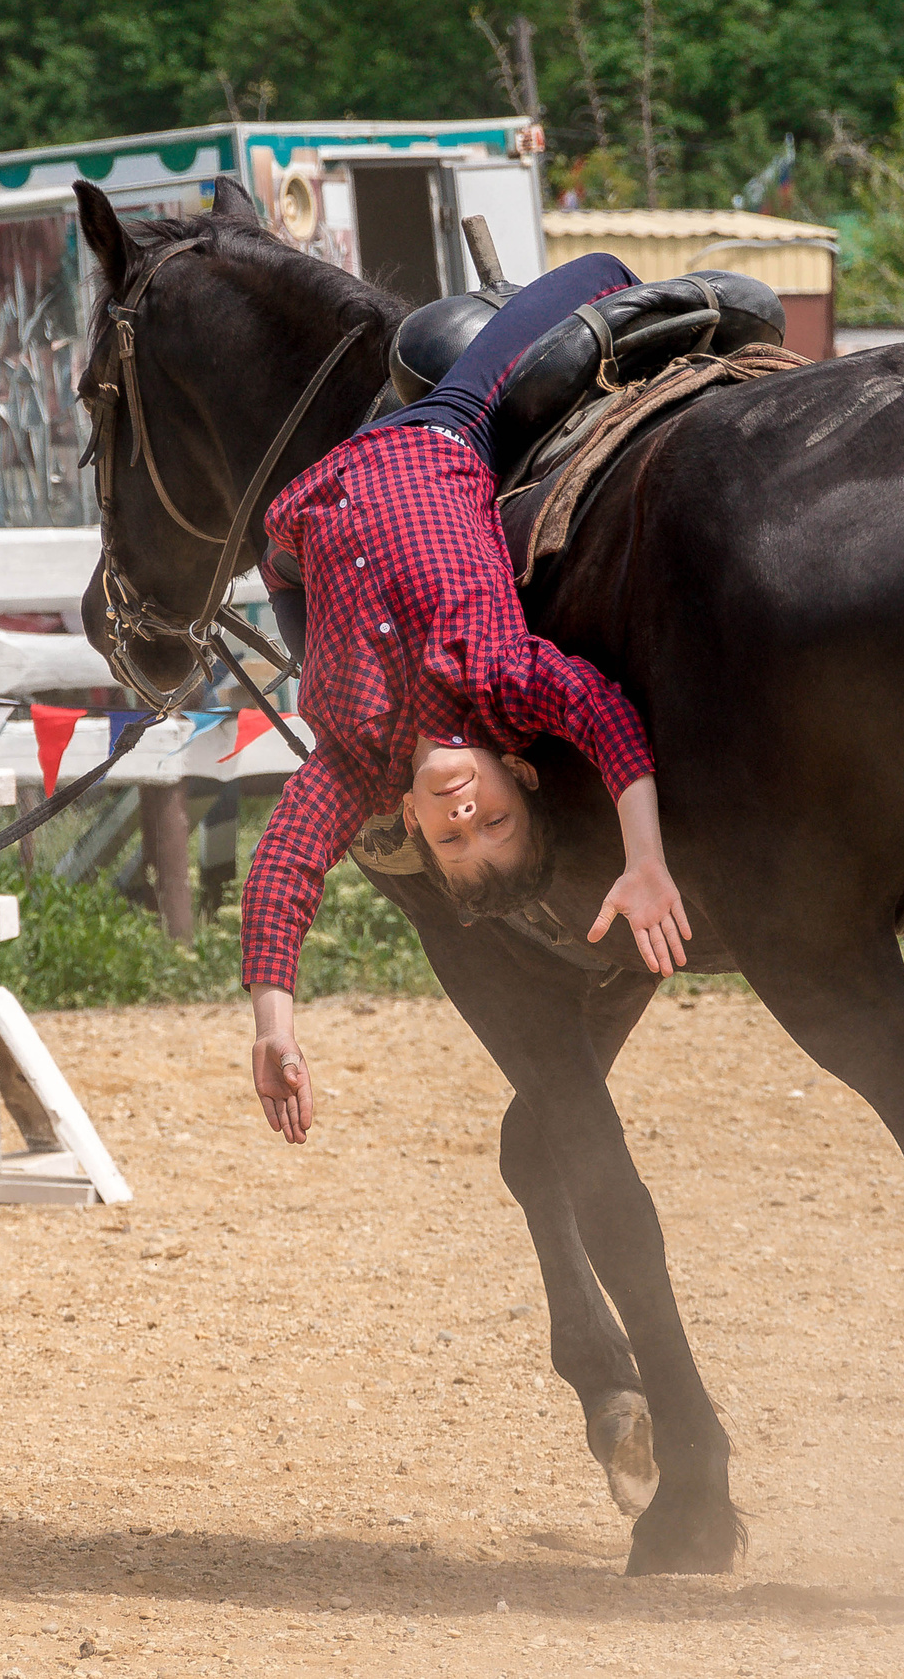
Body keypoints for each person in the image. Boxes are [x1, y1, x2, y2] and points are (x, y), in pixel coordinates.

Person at [243, 253, 689, 1144]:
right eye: (493, 819)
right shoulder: (504, 679)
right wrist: (645, 857)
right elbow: (606, 717)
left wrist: (273, 1026)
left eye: (451, 838)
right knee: (599, 270)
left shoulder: (353, 763)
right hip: (444, 430)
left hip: (296, 521)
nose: (463, 814)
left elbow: (283, 868)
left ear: (411, 821)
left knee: (273, 559)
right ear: (519, 772)